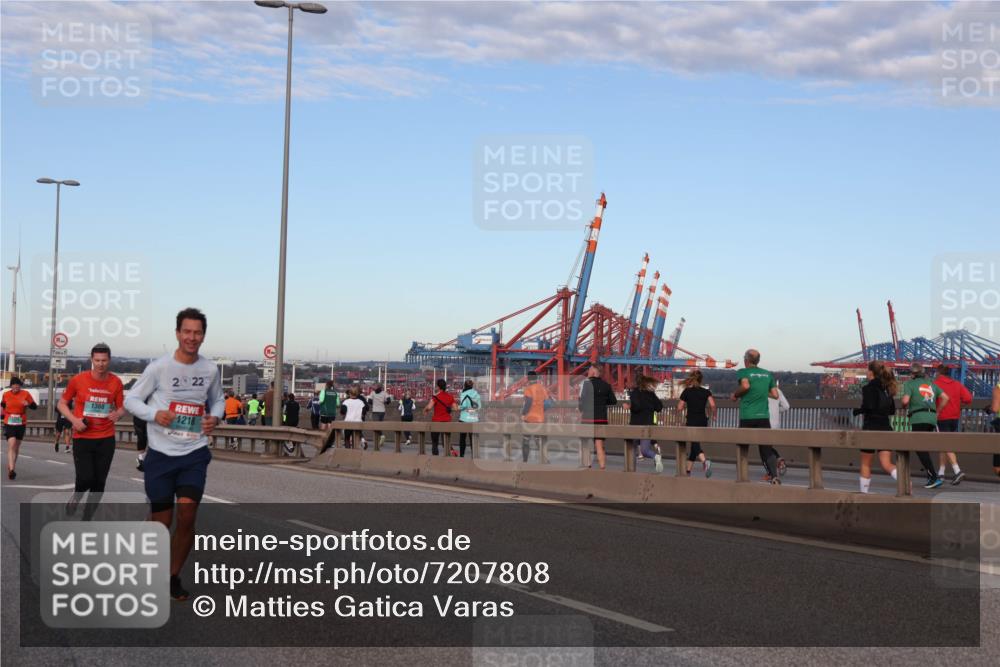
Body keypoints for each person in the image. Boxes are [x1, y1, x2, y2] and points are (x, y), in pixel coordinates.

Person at [124, 307, 224, 601]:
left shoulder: (209, 369)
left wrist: (215, 418)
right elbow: (131, 399)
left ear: (203, 336)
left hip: (193, 452)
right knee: (161, 521)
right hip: (161, 455)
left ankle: (171, 577)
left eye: (198, 332)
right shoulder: (159, 368)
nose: (192, 337)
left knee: (188, 513)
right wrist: (155, 415)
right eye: (187, 332)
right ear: (178, 333)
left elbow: (217, 400)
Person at [58, 342, 126, 518]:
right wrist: (74, 419)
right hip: (83, 436)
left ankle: (87, 517)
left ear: (109, 360)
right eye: (97, 360)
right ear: (91, 360)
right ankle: (76, 497)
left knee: (99, 482)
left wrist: (118, 414)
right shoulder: (79, 380)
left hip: (106, 438)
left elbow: (122, 407)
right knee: (86, 478)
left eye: (104, 360)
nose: (101, 364)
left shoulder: (116, 382)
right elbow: (62, 403)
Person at [731, 349, 781, 485]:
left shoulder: (743, 372)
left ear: (746, 360)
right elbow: (776, 395)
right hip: (763, 417)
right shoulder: (767, 374)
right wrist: (763, 393)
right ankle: (774, 476)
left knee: (742, 448)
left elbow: (745, 386)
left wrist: (735, 395)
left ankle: (742, 478)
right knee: (766, 449)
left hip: (747, 416)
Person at [852, 360, 899, 493]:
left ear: (871, 372)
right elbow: (891, 411)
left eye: (867, 370)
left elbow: (869, 407)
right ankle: (905, 482)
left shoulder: (868, 388)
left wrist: (858, 411)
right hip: (885, 427)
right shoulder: (887, 389)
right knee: (886, 463)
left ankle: (864, 494)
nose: (866, 373)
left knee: (866, 464)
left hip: (870, 428)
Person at [901, 362, 949, 490]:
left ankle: (933, 477)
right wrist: (937, 411)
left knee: (920, 448)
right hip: (931, 419)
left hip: (918, 418)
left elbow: (905, 400)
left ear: (912, 374)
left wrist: (904, 405)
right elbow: (945, 398)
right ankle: (932, 476)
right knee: (924, 448)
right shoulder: (931, 384)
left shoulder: (909, 384)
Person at [934, 365, 973, 484]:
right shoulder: (957, 384)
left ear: (938, 373)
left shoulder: (935, 384)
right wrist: (958, 406)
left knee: (945, 444)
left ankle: (957, 471)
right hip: (954, 418)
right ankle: (941, 473)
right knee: (944, 444)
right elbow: (968, 398)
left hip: (941, 417)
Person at [578, 363, 617, 470]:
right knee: (599, 445)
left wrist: (581, 409)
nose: (588, 372)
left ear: (594, 372)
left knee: (586, 444)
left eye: (590, 370)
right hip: (601, 418)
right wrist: (603, 401)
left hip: (588, 418)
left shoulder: (586, 384)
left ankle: (588, 465)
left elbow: (581, 401)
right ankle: (602, 467)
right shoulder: (606, 385)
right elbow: (613, 401)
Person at [677, 370, 714, 478]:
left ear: (692, 379)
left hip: (692, 421)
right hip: (703, 421)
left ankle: (704, 461)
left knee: (694, 443)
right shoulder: (706, 392)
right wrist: (714, 415)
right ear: (701, 379)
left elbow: (680, 407)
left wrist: (680, 408)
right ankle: (687, 471)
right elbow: (712, 405)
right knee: (694, 446)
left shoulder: (687, 391)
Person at [2, 377, 38, 480]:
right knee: (11, 444)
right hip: (9, 421)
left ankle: (11, 465)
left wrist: (29, 404)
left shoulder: (25, 394)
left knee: (16, 447)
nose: (16, 387)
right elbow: (2, 405)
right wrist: (2, 415)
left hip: (21, 422)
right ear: (11, 385)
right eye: (14, 385)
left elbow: (35, 407)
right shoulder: (6, 394)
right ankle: (12, 470)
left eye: (18, 385)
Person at [628, 375, 664, 472]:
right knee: (645, 450)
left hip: (636, 424)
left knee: (631, 448)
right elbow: (659, 407)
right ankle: (655, 456)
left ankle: (631, 470)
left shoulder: (634, 393)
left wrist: (629, 406)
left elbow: (637, 407)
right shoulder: (651, 394)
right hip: (648, 424)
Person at [521, 371, 550, 463]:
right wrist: (541, 410)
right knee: (539, 440)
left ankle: (525, 461)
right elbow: (548, 404)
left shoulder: (528, 389)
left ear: (528, 379)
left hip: (529, 418)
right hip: (540, 418)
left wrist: (523, 414)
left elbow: (528, 403)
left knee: (526, 440)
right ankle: (545, 459)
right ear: (536, 378)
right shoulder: (543, 388)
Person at [424, 379, 455, 456]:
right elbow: (455, 408)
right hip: (447, 421)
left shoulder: (435, 397)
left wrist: (425, 409)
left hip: (436, 421)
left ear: (438, 387)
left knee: (435, 442)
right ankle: (451, 454)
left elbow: (429, 407)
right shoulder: (450, 397)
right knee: (446, 441)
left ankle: (435, 458)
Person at [766, 382, 790, 479]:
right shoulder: (778, 391)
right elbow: (786, 406)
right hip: (775, 424)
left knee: (765, 449)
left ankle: (772, 472)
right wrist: (776, 409)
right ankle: (778, 460)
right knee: (767, 447)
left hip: (764, 422)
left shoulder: (761, 392)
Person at [457, 379, 481, 458]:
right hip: (474, 419)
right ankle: (474, 455)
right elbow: (479, 407)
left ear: (465, 385)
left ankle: (462, 455)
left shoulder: (463, 394)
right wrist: (471, 410)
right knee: (473, 439)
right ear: (472, 386)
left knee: (462, 438)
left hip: (464, 419)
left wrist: (458, 407)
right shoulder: (477, 394)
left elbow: (463, 406)